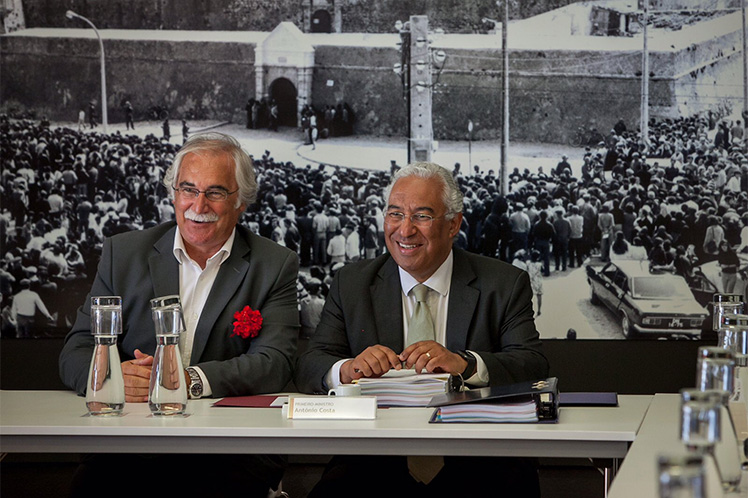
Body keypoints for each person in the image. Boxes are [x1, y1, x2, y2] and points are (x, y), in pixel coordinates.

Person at [59, 132, 300, 498]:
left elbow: (275, 362)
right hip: (126, 448)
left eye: (215, 192)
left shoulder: (274, 264)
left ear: (241, 202)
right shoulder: (122, 254)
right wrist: (110, 376)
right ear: (173, 194)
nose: (197, 204)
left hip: (228, 452)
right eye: (188, 189)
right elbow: (75, 350)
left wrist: (187, 381)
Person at [295, 162, 548, 498]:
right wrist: (348, 368)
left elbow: (533, 365)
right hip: (373, 459)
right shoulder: (351, 283)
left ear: (453, 224)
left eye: (422, 216)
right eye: (395, 214)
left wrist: (467, 364)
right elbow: (309, 364)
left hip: (481, 457)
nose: (405, 229)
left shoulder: (503, 283)